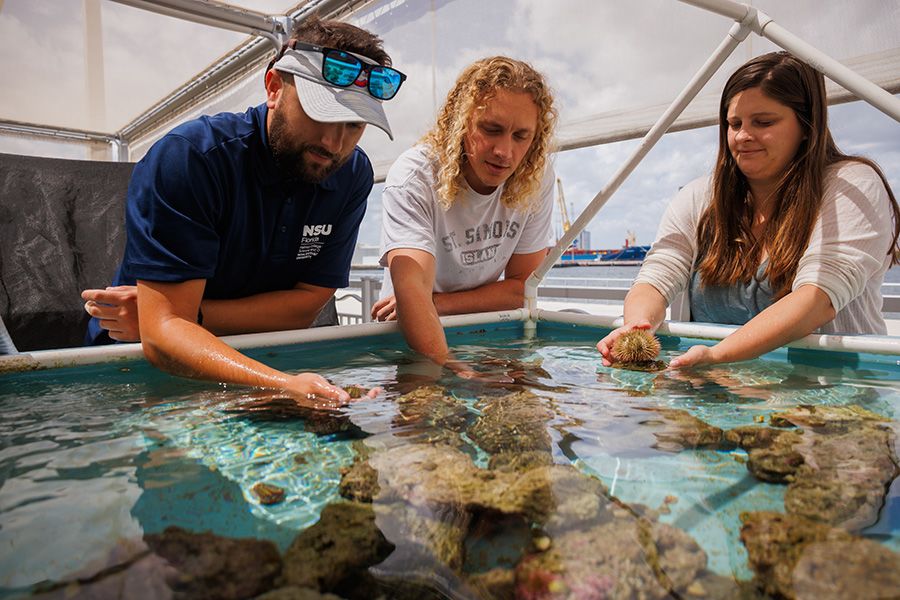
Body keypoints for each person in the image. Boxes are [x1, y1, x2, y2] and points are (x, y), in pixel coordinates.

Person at [81, 16, 406, 408]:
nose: (334, 143)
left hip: (266, 359)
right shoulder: (191, 158)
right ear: (273, 87)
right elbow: (163, 339)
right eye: (322, 113)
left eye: (354, 125)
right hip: (135, 367)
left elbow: (306, 306)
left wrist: (191, 319)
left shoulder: (352, 174)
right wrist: (282, 383)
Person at [598, 51, 900, 370]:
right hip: (708, 390)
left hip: (826, 400)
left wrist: (718, 356)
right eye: (734, 123)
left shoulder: (852, 185)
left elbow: (818, 299)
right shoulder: (699, 195)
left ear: (808, 126)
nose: (743, 136)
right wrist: (638, 324)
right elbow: (659, 274)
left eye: (764, 122)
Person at [371, 56, 557, 369]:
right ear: (461, 121)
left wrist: (439, 303)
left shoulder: (535, 178)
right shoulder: (415, 175)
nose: (504, 152)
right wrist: (452, 367)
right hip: (407, 337)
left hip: (485, 334)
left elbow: (522, 289)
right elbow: (413, 294)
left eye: (520, 136)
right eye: (491, 129)